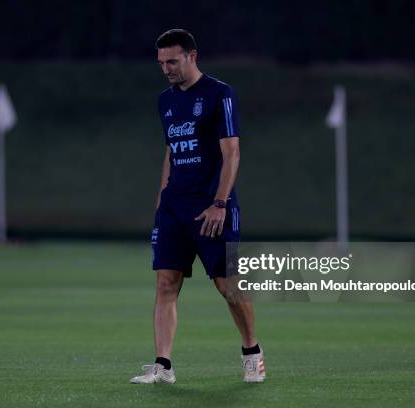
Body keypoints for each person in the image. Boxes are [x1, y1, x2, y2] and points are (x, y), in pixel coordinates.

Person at [130, 29, 265, 384]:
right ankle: (163, 365)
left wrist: (220, 203)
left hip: (212, 207)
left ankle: (252, 352)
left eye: (172, 61)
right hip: (175, 208)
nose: (166, 69)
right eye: (161, 62)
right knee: (165, 284)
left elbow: (231, 151)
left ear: (192, 56)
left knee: (229, 286)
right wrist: (162, 200)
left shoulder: (220, 94)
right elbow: (171, 151)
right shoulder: (165, 100)